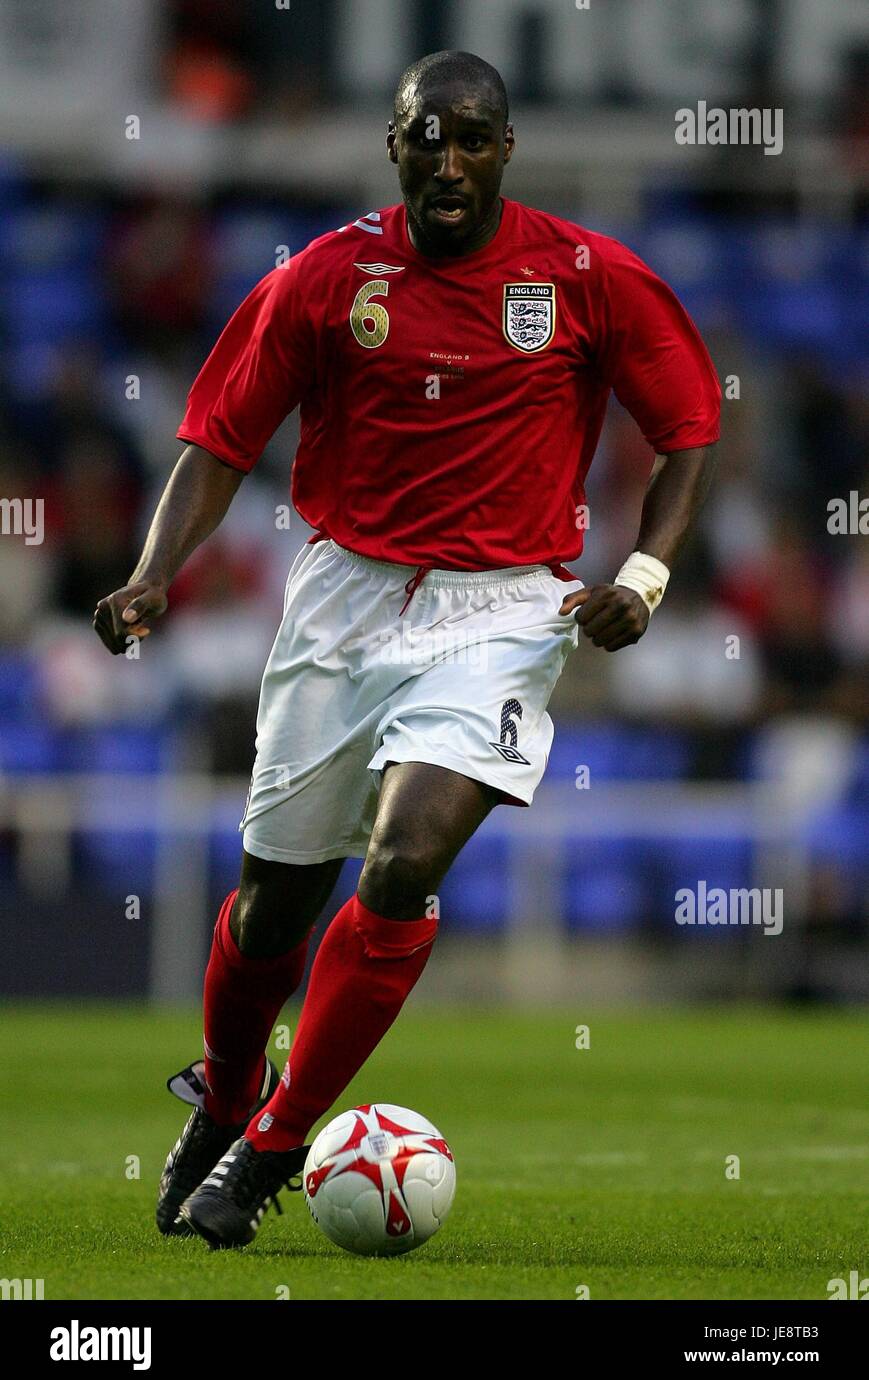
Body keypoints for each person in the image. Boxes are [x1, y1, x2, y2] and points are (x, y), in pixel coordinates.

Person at [93, 50, 720, 1249]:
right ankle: (225, 1090)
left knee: (403, 862)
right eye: (425, 136)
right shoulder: (330, 277)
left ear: (506, 149)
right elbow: (220, 436)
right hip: (341, 599)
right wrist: (149, 575)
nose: (448, 159)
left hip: (502, 609)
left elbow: (688, 424)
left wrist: (641, 575)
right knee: (272, 911)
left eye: (472, 137)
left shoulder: (585, 276)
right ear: (392, 146)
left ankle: (274, 1144)